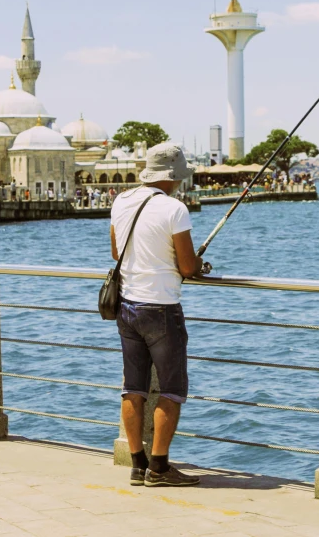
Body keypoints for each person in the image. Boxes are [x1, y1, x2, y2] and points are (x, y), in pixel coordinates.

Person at [111, 143, 209, 488]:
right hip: (162, 309)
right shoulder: (174, 209)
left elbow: (115, 250)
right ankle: (160, 468)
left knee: (132, 388)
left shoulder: (121, 201)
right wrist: (196, 263)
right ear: (172, 177)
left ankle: (138, 465)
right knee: (172, 389)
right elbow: (186, 266)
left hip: (126, 306)